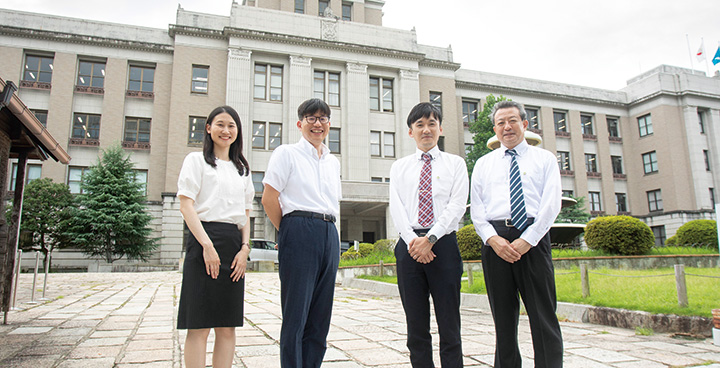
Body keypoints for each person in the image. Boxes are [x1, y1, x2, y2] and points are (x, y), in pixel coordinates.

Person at [470, 100, 563, 367]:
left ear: (524, 124)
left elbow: (551, 204)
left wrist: (528, 240)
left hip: (533, 237)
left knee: (543, 315)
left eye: (512, 121)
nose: (506, 127)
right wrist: (492, 239)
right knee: (503, 318)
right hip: (496, 240)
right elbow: (477, 210)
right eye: (500, 123)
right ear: (495, 129)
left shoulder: (544, 159)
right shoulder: (483, 164)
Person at [261, 98, 341, 368]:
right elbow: (269, 197)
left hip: (329, 232)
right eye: (311, 118)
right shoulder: (286, 153)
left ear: (329, 124)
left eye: (322, 118)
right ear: (300, 123)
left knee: (320, 316)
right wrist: (289, 231)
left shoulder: (333, 162)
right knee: (296, 314)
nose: (317, 123)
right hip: (298, 228)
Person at [389, 102, 468, 368]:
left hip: (443, 246)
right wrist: (414, 241)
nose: (426, 130)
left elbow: (456, 206)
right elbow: (396, 208)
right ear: (410, 131)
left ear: (440, 128)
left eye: (431, 123)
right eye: (419, 125)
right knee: (416, 325)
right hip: (409, 247)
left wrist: (430, 239)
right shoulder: (399, 167)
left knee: (449, 322)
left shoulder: (456, 164)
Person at [176, 105, 254, 368]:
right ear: (208, 128)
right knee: (198, 325)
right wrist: (207, 246)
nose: (226, 130)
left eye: (231, 125)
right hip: (203, 240)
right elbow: (186, 205)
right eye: (220, 124)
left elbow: (245, 213)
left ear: (237, 132)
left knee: (227, 325)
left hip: (233, 245)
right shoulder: (196, 160)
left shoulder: (242, 168)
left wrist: (245, 249)